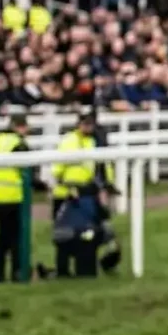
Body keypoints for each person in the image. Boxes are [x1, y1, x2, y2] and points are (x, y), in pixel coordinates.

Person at [51, 110, 108, 278]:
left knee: (86, 233)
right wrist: (68, 188)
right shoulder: (69, 141)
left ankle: (83, 268)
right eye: (85, 124)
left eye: (90, 124)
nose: (88, 127)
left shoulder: (92, 142)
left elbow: (98, 168)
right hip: (66, 193)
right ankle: (62, 270)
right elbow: (57, 170)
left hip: (85, 193)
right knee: (63, 235)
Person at [0, 110, 36, 284]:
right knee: (15, 238)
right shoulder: (18, 143)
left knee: (3, 238)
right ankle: (18, 272)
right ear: (18, 127)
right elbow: (28, 171)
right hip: (12, 196)